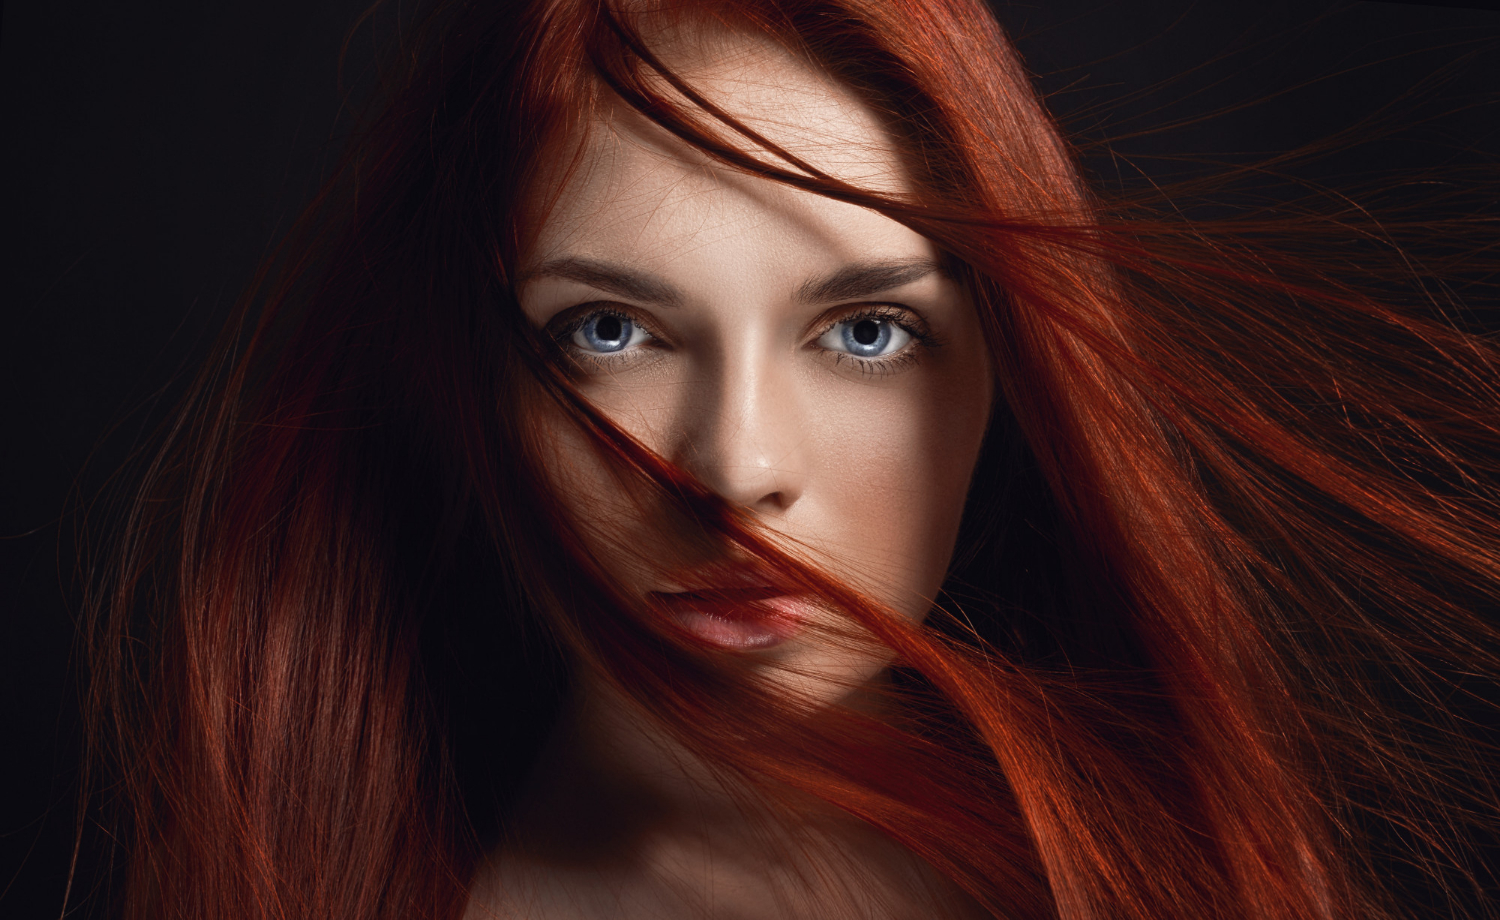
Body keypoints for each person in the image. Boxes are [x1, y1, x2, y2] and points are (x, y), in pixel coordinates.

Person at [78, 0, 1500, 918]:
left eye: (866, 331)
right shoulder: (281, 873)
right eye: (612, 331)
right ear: (470, 385)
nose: (737, 465)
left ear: (1012, 377)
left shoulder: (1180, 880)